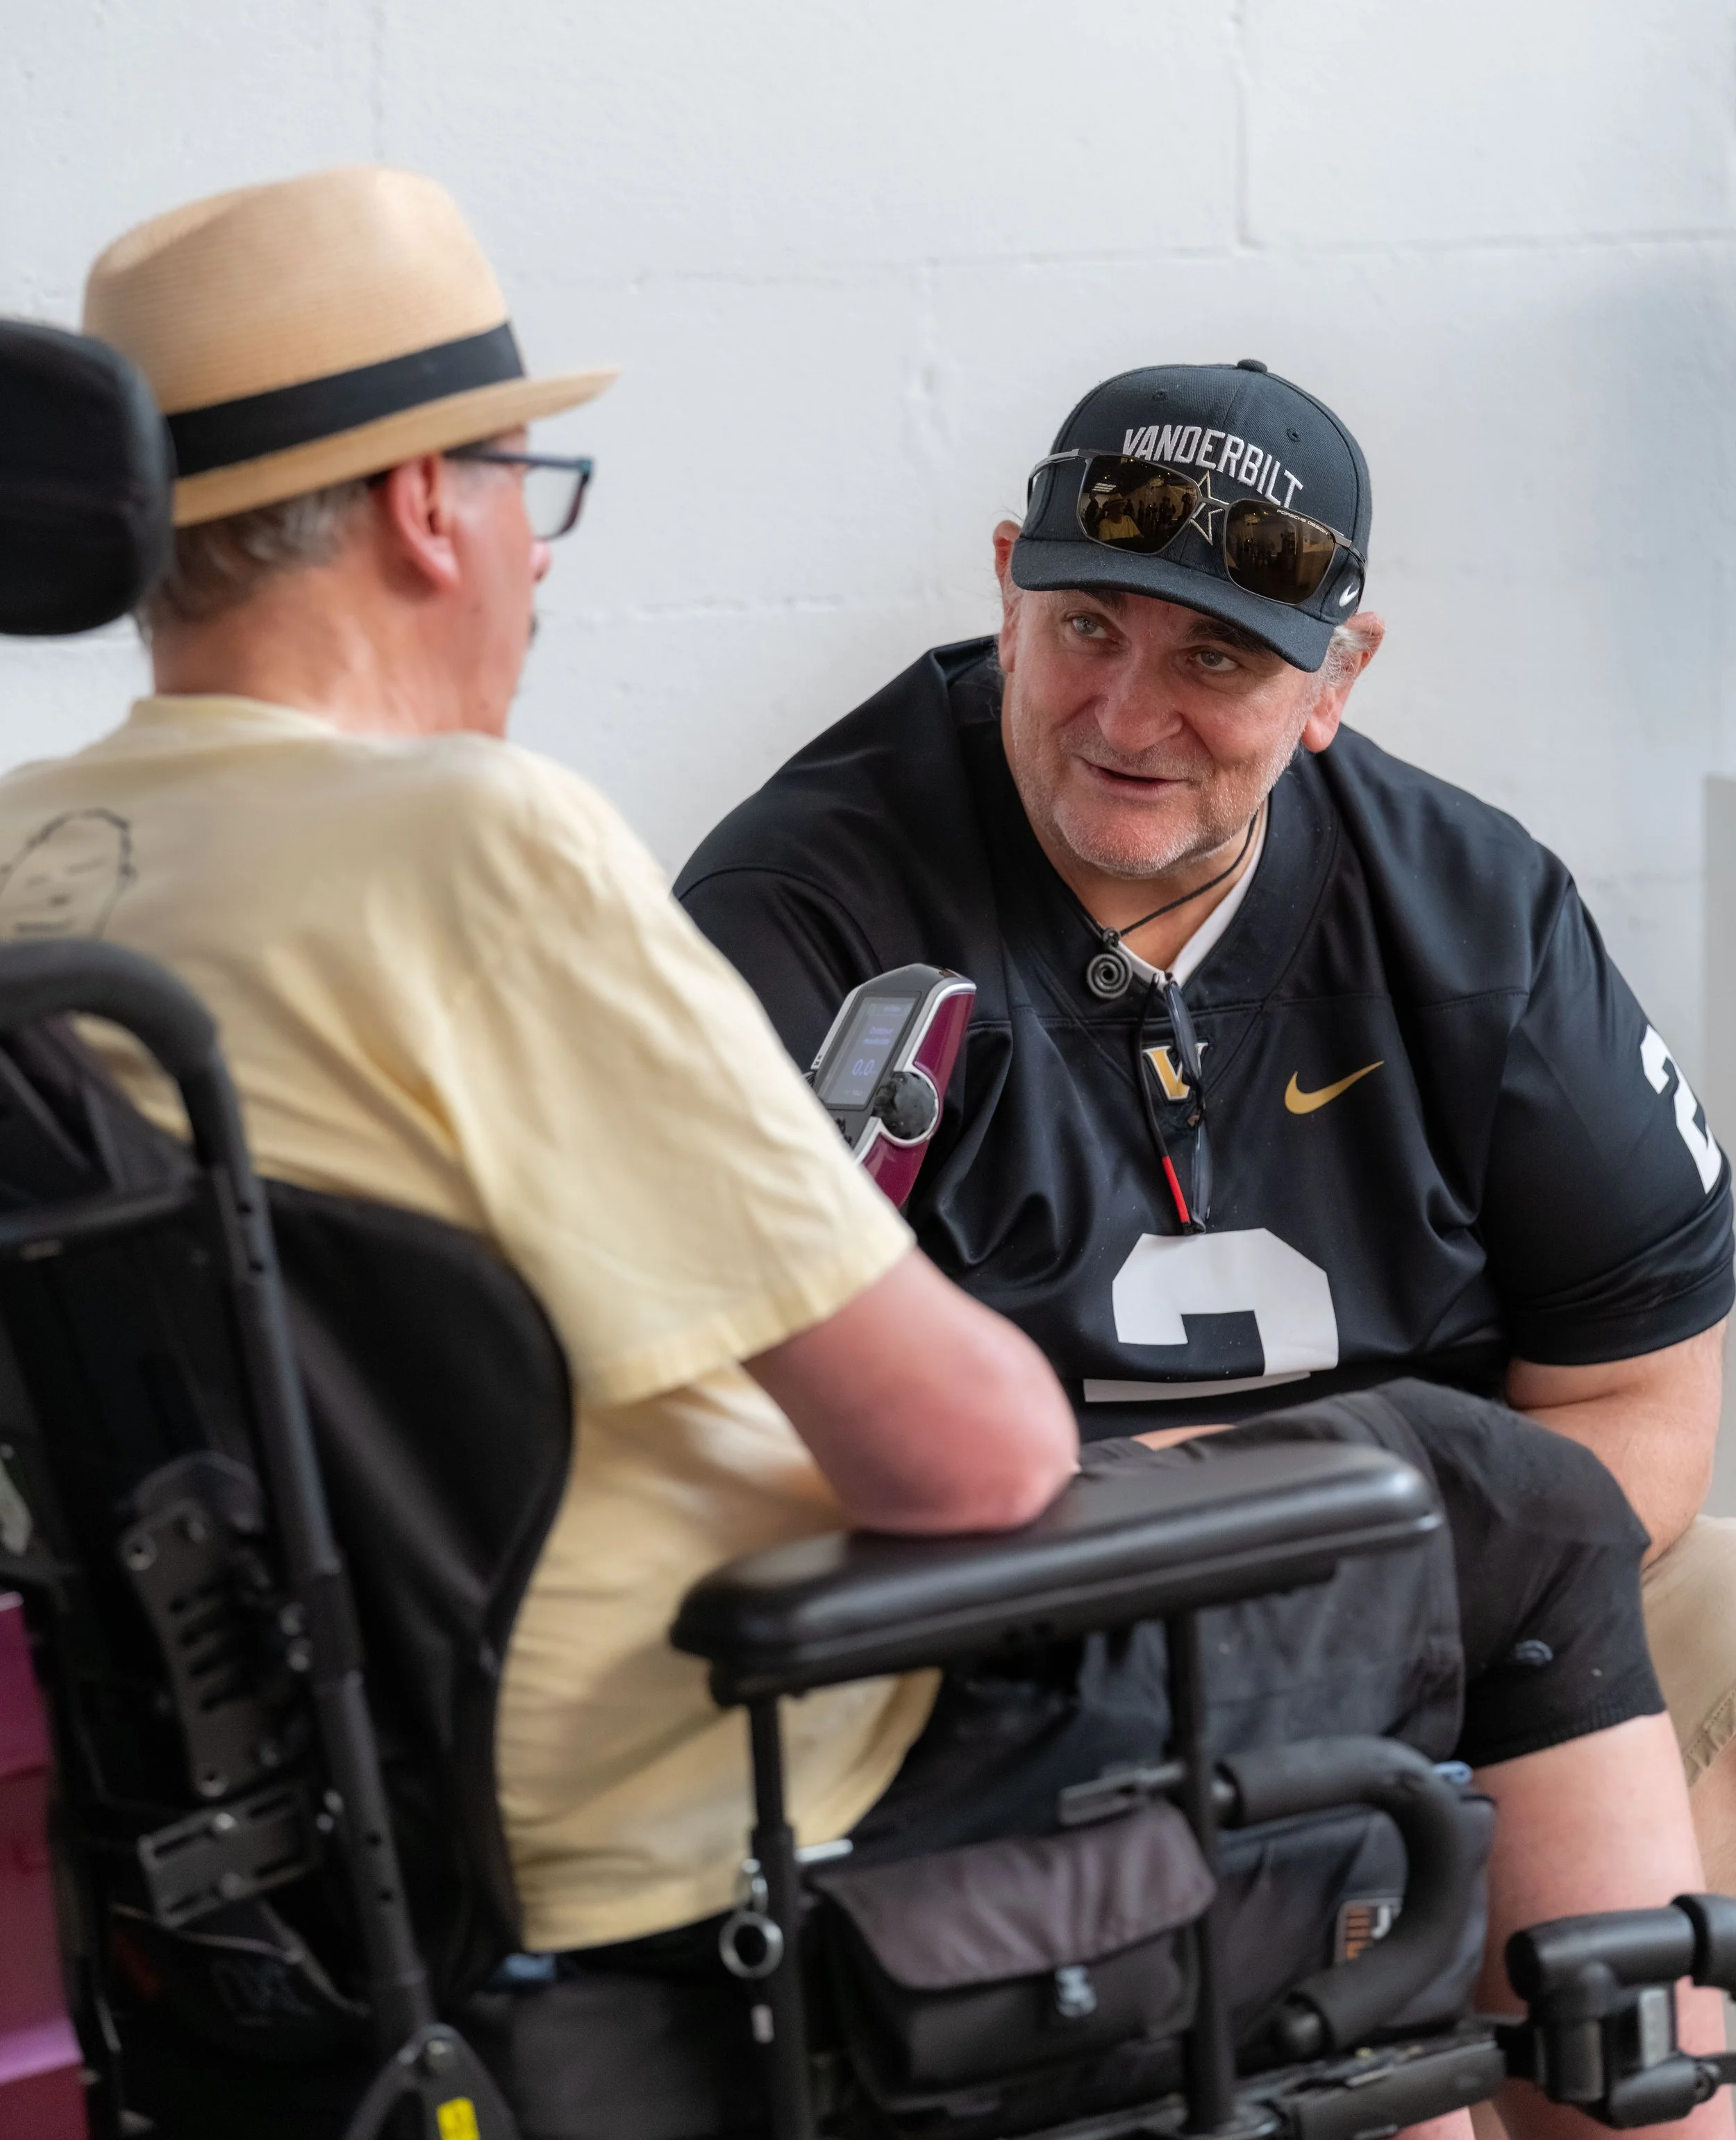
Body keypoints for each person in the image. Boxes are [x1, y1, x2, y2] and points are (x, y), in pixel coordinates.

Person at [3, 208, 1723, 2140]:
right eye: (523, 486)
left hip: (336, 1837)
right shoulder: (475, 848)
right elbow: (971, 1460)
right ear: (426, 505)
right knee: (1505, 1509)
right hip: (746, 1787)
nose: (530, 554)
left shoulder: (28, 868)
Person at [676, 358, 1736, 1892]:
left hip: (1464, 1578)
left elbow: (1639, 1401)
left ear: (1334, 681)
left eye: (1220, 660)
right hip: (1023, 1650)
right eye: (1087, 627)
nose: (1128, 713)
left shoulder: (1472, 912)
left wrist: (1363, 1621)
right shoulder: (803, 918)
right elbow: (732, 1452)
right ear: (1004, 591)